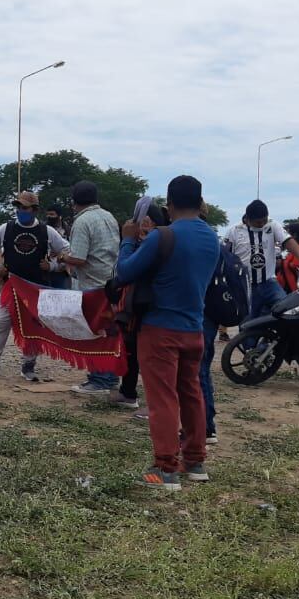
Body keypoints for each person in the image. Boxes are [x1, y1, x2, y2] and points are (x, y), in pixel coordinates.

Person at [114, 175, 220, 491]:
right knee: (191, 393)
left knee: (162, 398)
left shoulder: (163, 236)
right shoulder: (212, 238)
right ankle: (195, 461)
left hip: (160, 330)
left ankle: (165, 469)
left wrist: (127, 240)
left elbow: (124, 272)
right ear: (201, 203)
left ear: (169, 204)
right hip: (194, 329)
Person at [0, 191, 69, 382]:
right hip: (11, 285)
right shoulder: (6, 228)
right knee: (0, 323)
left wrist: (54, 266)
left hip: (36, 288)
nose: (20, 211)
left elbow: (66, 251)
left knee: (33, 327)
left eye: (24, 208)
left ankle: (28, 365)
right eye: (18, 207)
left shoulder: (46, 231)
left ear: (34, 210)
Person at [63, 181, 122, 396]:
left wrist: (61, 257)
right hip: (111, 283)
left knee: (95, 332)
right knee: (109, 332)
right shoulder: (109, 217)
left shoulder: (82, 221)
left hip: (93, 286)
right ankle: (111, 376)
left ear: (74, 201)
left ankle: (99, 380)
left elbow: (78, 257)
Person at [114, 199, 170, 411]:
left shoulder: (154, 242)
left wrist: (127, 241)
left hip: (148, 305)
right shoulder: (152, 240)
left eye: (146, 221)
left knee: (150, 356)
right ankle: (128, 392)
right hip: (134, 306)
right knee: (131, 349)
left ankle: (153, 404)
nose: (140, 225)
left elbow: (126, 270)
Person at [224, 199, 299, 328]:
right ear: (248, 218)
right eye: (259, 222)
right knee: (248, 322)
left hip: (269, 282)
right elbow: (226, 255)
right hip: (246, 286)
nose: (262, 224)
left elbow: (288, 241)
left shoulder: (272, 224)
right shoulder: (234, 231)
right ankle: (251, 347)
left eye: (264, 220)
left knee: (288, 310)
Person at [277, 222, 299, 293]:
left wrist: (281, 262)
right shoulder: (294, 249)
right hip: (287, 288)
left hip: (295, 292)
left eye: (287, 234)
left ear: (295, 235)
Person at [44, 205, 71, 289]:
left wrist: (60, 252)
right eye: (47, 215)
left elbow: (72, 248)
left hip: (63, 270)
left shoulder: (68, 230)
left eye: (52, 214)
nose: (49, 217)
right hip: (47, 269)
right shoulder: (44, 229)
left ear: (59, 216)